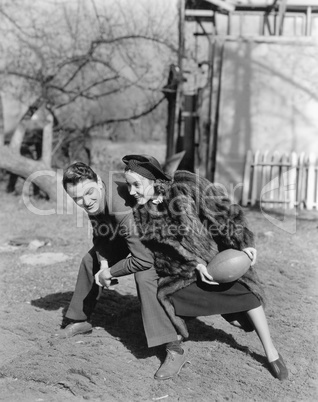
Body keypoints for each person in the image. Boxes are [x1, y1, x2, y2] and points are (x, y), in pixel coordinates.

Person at [122, 154, 289, 381]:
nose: (132, 192)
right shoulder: (142, 214)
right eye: (129, 186)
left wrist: (243, 244)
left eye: (136, 185)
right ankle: (175, 343)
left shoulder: (186, 185)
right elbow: (161, 255)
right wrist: (194, 265)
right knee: (166, 295)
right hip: (184, 272)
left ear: (154, 181)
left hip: (218, 259)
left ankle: (271, 351)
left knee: (248, 297)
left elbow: (225, 212)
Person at [60, 161, 190, 380]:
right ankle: (79, 319)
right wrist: (102, 263)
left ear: (99, 183)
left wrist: (110, 273)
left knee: (145, 275)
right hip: (128, 232)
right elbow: (101, 234)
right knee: (88, 261)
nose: (84, 202)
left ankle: (174, 347)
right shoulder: (93, 198)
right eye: (77, 199)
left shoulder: (121, 208)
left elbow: (143, 259)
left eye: (88, 193)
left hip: (162, 236)